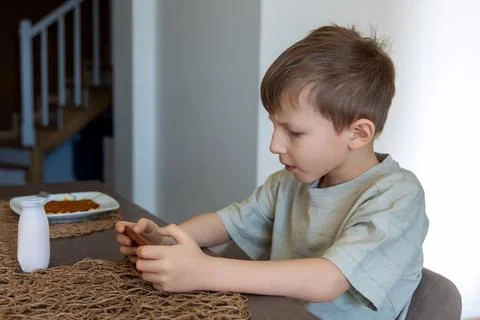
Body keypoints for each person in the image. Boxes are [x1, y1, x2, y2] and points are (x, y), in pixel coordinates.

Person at [115, 24, 429, 320]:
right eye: (274, 126)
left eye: (293, 132)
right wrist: (164, 240)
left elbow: (327, 279)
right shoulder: (289, 182)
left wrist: (203, 270)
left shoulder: (396, 196)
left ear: (358, 134)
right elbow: (227, 222)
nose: (275, 145)